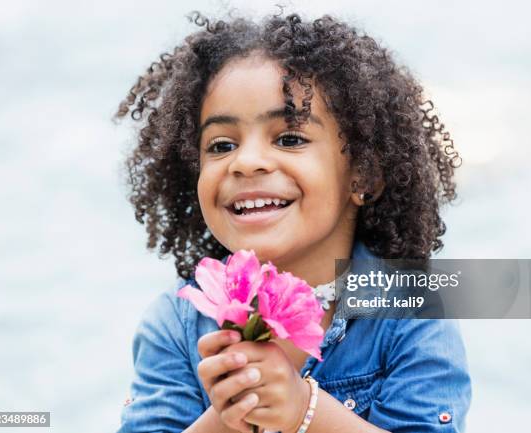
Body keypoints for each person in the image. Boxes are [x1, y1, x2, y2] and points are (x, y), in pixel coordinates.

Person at [114, 9, 470, 433]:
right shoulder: (176, 324)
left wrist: (305, 409)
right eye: (221, 144)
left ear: (364, 175)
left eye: (289, 138)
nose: (246, 162)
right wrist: (233, 410)